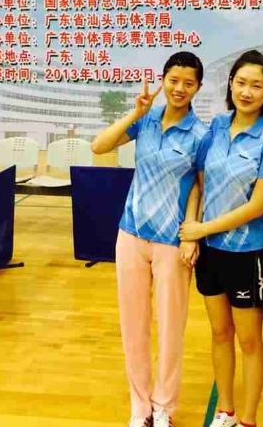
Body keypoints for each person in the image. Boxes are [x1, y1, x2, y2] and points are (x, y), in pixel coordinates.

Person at [91, 52, 208, 427]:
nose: (179, 88)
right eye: (173, 80)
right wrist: (135, 113)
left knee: (171, 328)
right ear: (163, 80)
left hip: (172, 242)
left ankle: (163, 408)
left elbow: (199, 186)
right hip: (130, 234)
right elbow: (99, 146)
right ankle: (139, 406)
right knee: (134, 326)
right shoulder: (146, 120)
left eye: (188, 82)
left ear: (198, 87)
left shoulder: (201, 134)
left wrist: (191, 233)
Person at [179, 50, 263, 427]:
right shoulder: (218, 127)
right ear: (230, 84)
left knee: (249, 341)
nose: (246, 91)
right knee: (220, 333)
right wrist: (191, 232)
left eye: (256, 85)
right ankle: (225, 410)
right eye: (241, 82)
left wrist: (202, 229)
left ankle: (248, 419)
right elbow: (200, 182)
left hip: (246, 254)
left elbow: (257, 206)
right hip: (210, 253)